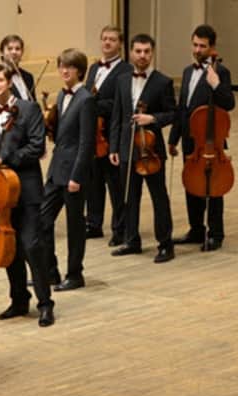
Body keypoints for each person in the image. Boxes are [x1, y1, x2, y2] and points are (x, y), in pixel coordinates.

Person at [0, 63, 54, 325]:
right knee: (9, 248)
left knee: (32, 246)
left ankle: (45, 303)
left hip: (27, 189)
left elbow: (37, 147)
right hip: (2, 194)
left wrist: (6, 158)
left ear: (9, 82)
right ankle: (19, 300)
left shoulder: (29, 109)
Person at [108, 34, 176, 263]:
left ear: (152, 53)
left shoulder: (163, 82)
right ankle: (132, 240)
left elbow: (172, 113)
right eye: (138, 51)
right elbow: (117, 116)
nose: (142, 56)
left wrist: (152, 118)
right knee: (129, 196)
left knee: (159, 198)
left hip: (151, 149)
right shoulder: (122, 80)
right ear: (131, 52)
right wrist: (114, 147)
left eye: (147, 51)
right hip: (127, 147)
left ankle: (165, 244)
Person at [169, 24, 235, 251]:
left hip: (210, 139)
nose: (197, 50)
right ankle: (196, 229)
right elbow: (182, 108)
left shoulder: (221, 72)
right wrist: (173, 138)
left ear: (212, 47)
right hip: (191, 138)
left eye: (203, 46)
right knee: (191, 183)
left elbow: (229, 103)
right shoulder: (188, 71)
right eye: (195, 45)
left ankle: (216, 233)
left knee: (213, 187)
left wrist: (216, 84)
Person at [39, 49, 96, 292]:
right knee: (42, 220)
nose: (64, 71)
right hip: (56, 170)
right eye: (62, 66)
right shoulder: (62, 95)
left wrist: (77, 176)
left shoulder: (86, 99)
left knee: (75, 227)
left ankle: (75, 274)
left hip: (73, 174)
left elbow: (86, 142)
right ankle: (50, 271)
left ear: (79, 71)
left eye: (69, 67)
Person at [84, 25, 133, 246]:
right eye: (104, 38)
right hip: (93, 134)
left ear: (120, 44)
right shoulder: (94, 68)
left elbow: (120, 104)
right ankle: (94, 224)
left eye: (112, 39)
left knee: (115, 185)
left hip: (112, 135)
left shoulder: (126, 70)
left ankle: (119, 229)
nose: (107, 42)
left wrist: (94, 105)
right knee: (93, 182)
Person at [0, 34, 37, 120]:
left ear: (22, 52)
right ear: (2, 52)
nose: (14, 52)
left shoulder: (28, 77)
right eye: (9, 49)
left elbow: (32, 105)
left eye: (17, 49)